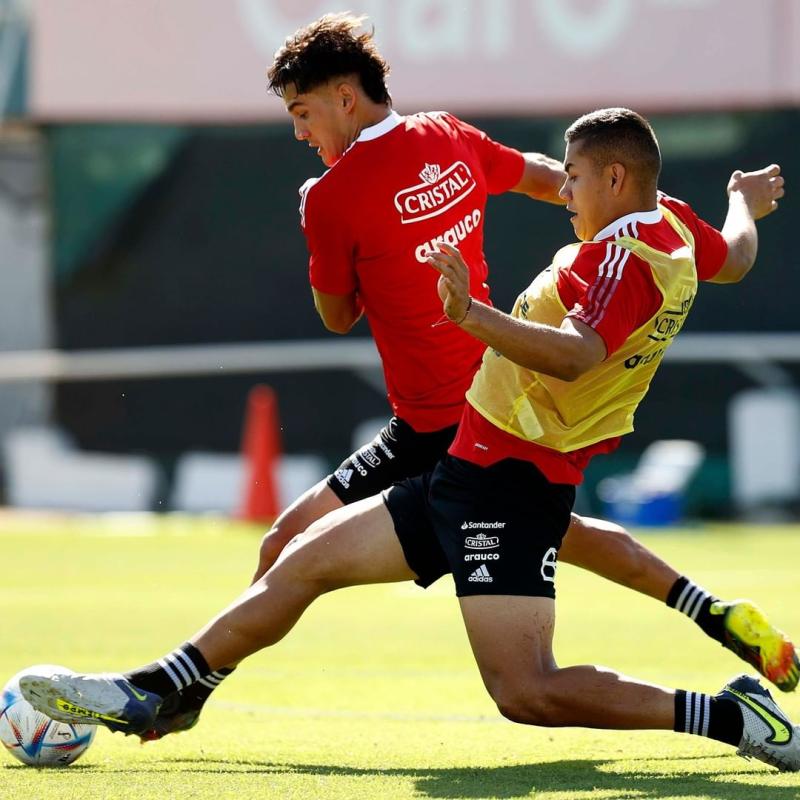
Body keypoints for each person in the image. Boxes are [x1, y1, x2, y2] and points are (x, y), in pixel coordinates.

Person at [22, 108, 799, 772]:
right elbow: (733, 258)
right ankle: (158, 689)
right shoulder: (669, 225)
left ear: (616, 181)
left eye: (573, 177)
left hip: (513, 484)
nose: (563, 192)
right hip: (467, 467)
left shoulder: (619, 259)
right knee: (302, 560)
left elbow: (574, 355)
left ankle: (731, 719)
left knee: (525, 693)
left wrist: (470, 313)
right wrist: (741, 203)